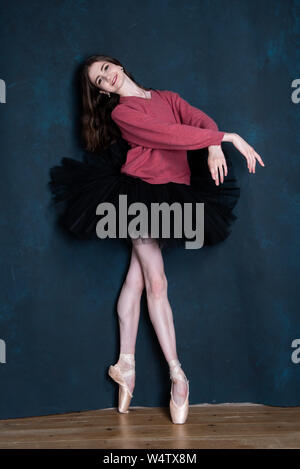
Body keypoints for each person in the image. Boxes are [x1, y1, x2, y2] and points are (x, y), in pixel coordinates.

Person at [48, 54, 265, 424]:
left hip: (173, 191)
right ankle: (178, 376)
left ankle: (125, 366)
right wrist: (226, 137)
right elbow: (169, 135)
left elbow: (197, 120)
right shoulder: (122, 114)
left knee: (137, 279)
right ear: (101, 92)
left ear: (118, 65)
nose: (106, 78)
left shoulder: (167, 96)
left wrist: (213, 144)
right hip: (137, 194)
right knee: (157, 281)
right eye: (99, 80)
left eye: (106, 69)